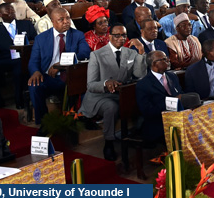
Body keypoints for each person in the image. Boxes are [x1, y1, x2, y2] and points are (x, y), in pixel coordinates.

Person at [79, 24, 146, 161]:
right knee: (111, 107)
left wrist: (140, 52)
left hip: (121, 94)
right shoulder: (96, 55)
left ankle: (138, 134)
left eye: (124, 35)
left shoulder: (131, 53)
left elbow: (140, 74)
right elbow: (91, 85)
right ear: (110, 36)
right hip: (100, 96)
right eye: (117, 35)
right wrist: (105, 83)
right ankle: (109, 142)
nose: (121, 38)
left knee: (142, 100)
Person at [28, 8, 91, 124]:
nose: (66, 21)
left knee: (81, 84)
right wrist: (35, 71)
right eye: (61, 19)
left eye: (67, 18)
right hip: (49, 77)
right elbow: (33, 61)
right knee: (34, 85)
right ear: (52, 21)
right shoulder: (41, 38)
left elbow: (85, 53)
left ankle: (78, 120)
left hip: (71, 75)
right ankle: (43, 122)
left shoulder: (78, 35)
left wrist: (62, 63)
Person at [0, 3, 36, 109]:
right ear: (0, 15)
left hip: (26, 57)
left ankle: (20, 101)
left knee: (19, 65)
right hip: (7, 58)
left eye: (12, 10)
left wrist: (30, 42)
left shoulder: (25, 24)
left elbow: (36, 40)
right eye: (7, 12)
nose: (11, 13)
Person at [136, 51, 201, 142]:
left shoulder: (172, 76)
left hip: (178, 118)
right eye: (164, 59)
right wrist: (172, 102)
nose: (168, 60)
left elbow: (181, 94)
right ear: (154, 63)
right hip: (159, 123)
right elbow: (147, 111)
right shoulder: (144, 84)